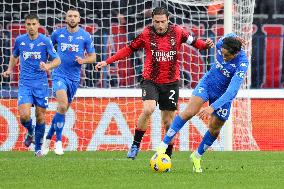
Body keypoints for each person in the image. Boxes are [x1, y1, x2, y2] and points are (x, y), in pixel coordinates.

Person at [95, 7, 214, 160]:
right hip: (150, 80)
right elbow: (128, 49)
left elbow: (196, 43)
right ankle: (135, 144)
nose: (159, 25)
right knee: (148, 109)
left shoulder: (178, 32)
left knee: (168, 122)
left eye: (162, 22)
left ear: (168, 19)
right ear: (152, 20)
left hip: (171, 82)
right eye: (156, 22)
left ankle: (167, 156)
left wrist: (206, 45)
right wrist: (107, 61)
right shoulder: (146, 33)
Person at [155, 33, 249, 172]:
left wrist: (212, 107)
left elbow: (231, 92)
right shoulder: (221, 43)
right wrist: (235, 36)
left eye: (226, 56)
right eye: (221, 53)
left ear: (235, 53)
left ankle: (196, 156)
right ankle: (163, 145)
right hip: (207, 84)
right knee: (189, 112)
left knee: (215, 129)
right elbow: (228, 36)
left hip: (223, 95)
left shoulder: (242, 64)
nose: (223, 57)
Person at [2, 14, 61, 157]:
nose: (31, 27)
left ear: (38, 25)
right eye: (28, 24)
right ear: (25, 25)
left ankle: (38, 149)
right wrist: (10, 69)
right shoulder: (20, 40)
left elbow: (57, 60)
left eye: (34, 24)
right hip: (25, 83)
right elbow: (14, 56)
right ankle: (30, 131)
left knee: (40, 116)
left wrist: (48, 66)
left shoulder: (45, 41)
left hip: (41, 84)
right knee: (24, 116)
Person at [42, 8, 96, 155]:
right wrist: (48, 61)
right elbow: (47, 48)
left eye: (75, 16)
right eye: (70, 16)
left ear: (79, 19)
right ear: (66, 19)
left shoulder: (85, 36)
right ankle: (58, 142)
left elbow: (93, 57)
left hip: (74, 78)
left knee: (62, 109)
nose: (72, 18)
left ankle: (47, 138)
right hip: (59, 75)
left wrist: (83, 60)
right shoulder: (57, 34)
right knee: (63, 104)